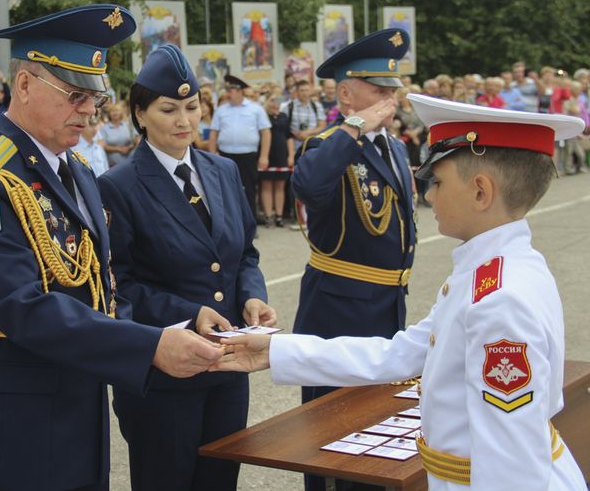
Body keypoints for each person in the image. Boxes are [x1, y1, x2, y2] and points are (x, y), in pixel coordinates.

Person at [213, 94, 587, 491]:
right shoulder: (493, 272)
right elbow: (405, 352)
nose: (427, 196)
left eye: (438, 182)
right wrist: (275, 351)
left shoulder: (499, 299)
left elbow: (512, 466)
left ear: (481, 192)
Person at [0, 5, 224, 491]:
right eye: (75, 95)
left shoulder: (78, 172)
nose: (90, 111)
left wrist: (175, 324)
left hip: (77, 401)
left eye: (96, 96)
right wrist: (149, 346)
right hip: (13, 419)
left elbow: (101, 287)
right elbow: (23, 307)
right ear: (24, 86)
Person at [98, 43, 275, 491]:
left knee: (219, 480)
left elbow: (244, 253)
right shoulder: (118, 185)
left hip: (226, 368)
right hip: (164, 376)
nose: (184, 121)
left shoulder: (222, 171)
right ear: (139, 114)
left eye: (193, 107)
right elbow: (118, 284)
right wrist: (190, 313)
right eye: (168, 109)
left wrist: (252, 295)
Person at [291, 28, 417, 490]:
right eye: (378, 90)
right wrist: (355, 126)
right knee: (337, 439)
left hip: (387, 306)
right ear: (345, 92)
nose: (389, 99)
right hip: (338, 312)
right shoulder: (328, 145)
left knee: (378, 436)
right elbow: (309, 186)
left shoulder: (396, 148)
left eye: (392, 90)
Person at [208, 75, 272, 220]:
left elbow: (266, 133)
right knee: (225, 190)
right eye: (228, 90)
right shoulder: (221, 110)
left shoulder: (256, 109)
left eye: (230, 90)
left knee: (249, 190)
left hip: (248, 156)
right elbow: (213, 134)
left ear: (239, 91)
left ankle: (249, 222)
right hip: (225, 156)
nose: (228, 94)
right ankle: (228, 222)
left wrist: (264, 156)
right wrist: (212, 155)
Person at [259, 94, 294, 227]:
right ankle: (269, 216)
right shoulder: (263, 116)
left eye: (278, 102)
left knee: (280, 186)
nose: (275, 105)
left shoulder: (284, 117)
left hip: (281, 156)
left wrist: (290, 156)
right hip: (266, 155)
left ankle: (279, 216)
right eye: (272, 101)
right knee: (267, 185)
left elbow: (289, 137)